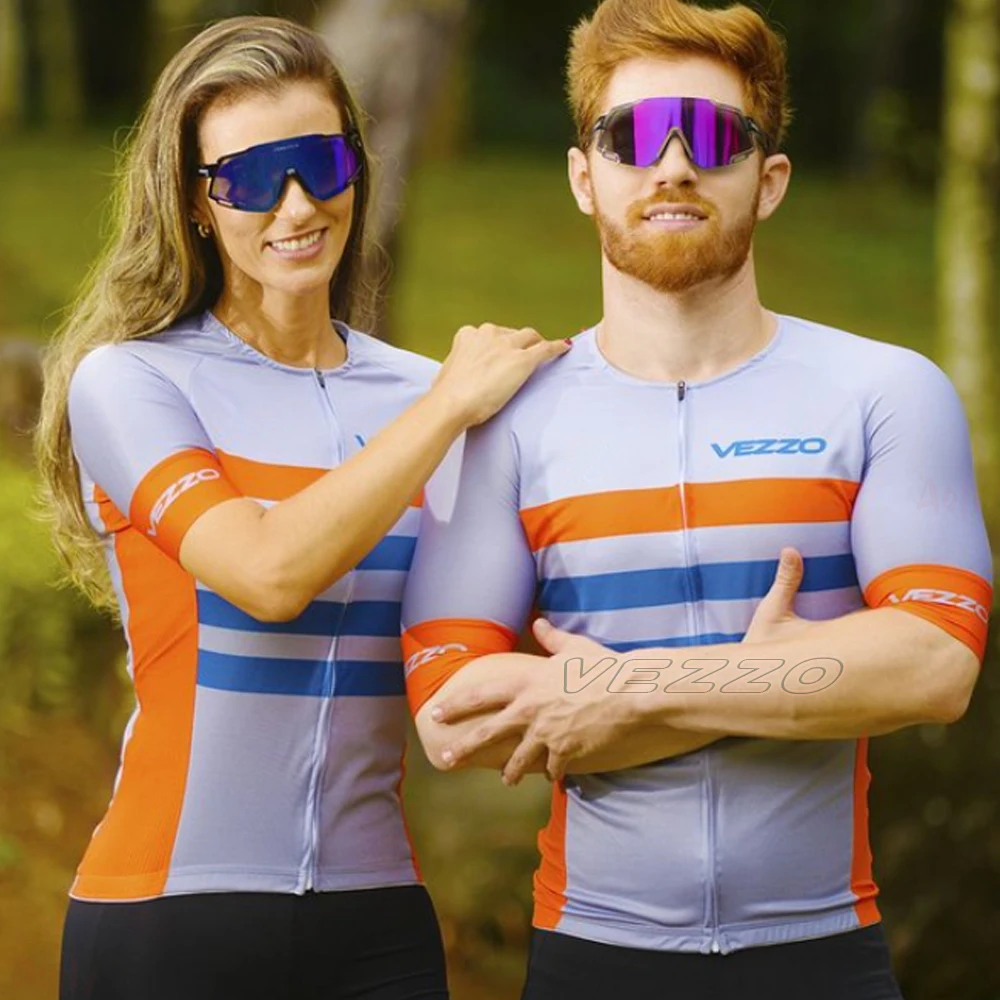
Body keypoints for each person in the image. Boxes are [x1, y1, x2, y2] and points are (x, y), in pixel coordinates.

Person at [400, 1, 993, 998]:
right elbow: (453, 716)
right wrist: (780, 676)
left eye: (714, 137)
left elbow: (934, 666)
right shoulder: (504, 420)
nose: (672, 166)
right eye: (631, 137)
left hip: (821, 953)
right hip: (591, 954)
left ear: (769, 179)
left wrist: (624, 689)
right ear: (584, 177)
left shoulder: (884, 392)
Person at [36, 15, 569, 1000]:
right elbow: (267, 571)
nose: (296, 204)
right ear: (194, 203)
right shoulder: (132, 382)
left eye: (320, 163)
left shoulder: (430, 392)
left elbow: (494, 634)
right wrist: (447, 407)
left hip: (378, 918)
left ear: (356, 167)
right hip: (170, 913)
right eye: (248, 178)